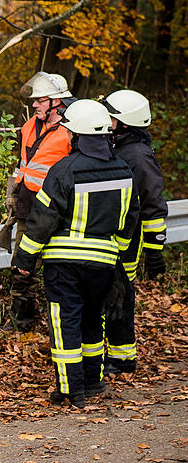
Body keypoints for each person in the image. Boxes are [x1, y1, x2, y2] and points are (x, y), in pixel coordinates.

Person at [11, 100, 139, 408]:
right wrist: (118, 261)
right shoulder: (124, 170)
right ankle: (93, 382)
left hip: (64, 263)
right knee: (93, 320)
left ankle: (70, 389)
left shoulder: (64, 169)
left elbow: (42, 221)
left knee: (65, 320)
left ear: (78, 135)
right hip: (104, 262)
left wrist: (24, 262)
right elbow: (129, 221)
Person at [102, 89, 168, 376]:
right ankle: (115, 353)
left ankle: (123, 357)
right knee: (110, 293)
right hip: (112, 236)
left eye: (111, 115)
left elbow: (153, 205)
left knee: (120, 294)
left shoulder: (138, 156)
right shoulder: (117, 146)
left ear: (124, 122)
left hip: (126, 241)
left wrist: (154, 252)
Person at [5, 72, 74, 331]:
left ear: (57, 102)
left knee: (60, 268)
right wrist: (13, 192)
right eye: (34, 101)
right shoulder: (28, 126)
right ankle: (21, 322)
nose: (34, 105)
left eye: (40, 101)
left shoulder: (71, 131)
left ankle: (62, 324)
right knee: (22, 266)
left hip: (58, 210)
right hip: (28, 204)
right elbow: (24, 164)